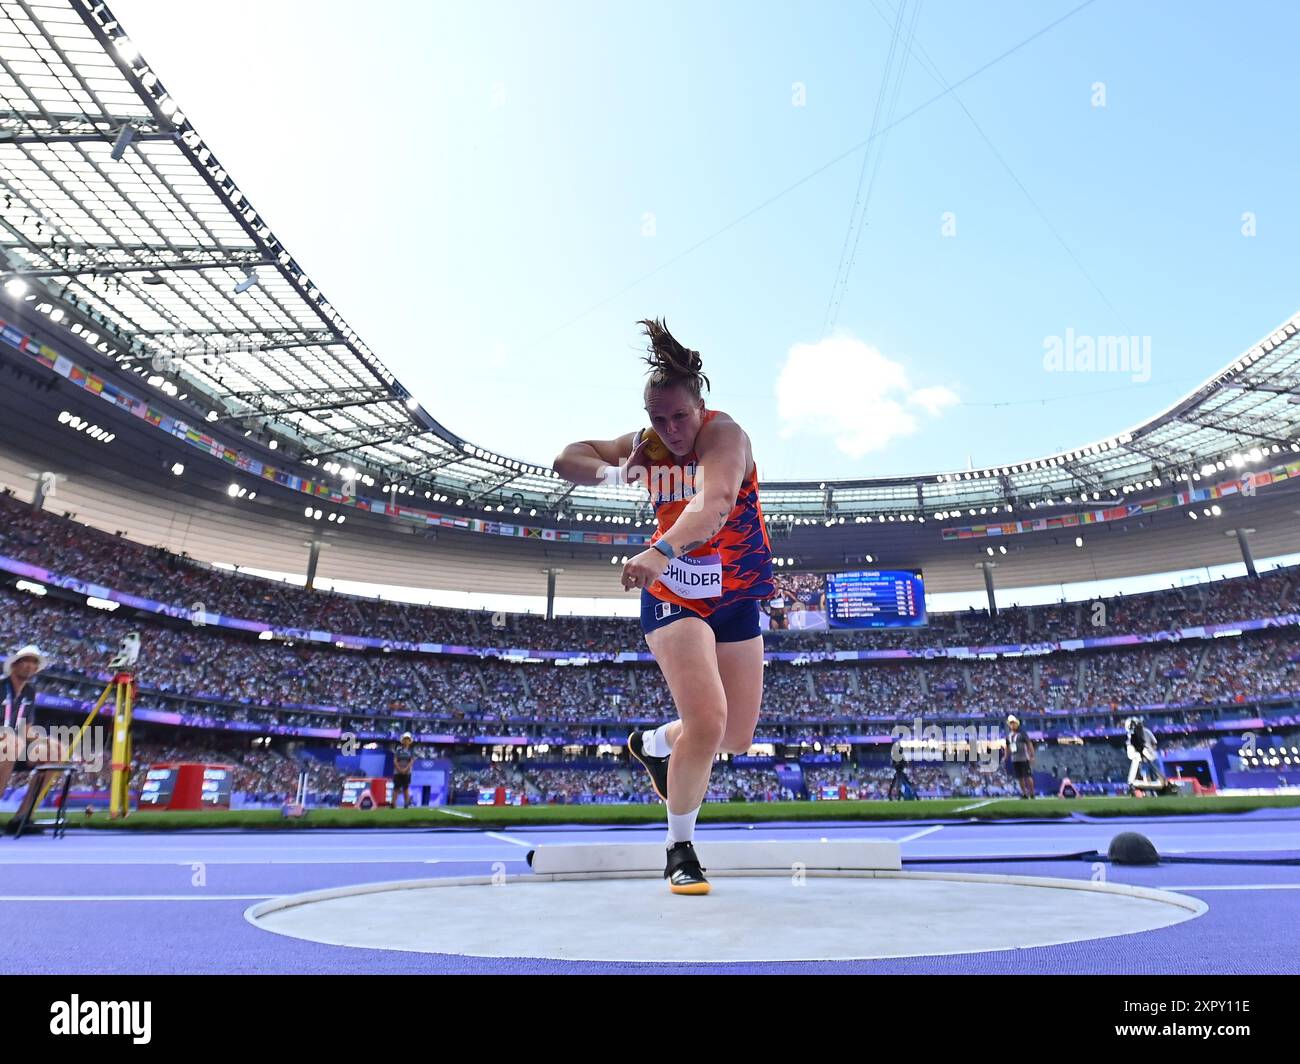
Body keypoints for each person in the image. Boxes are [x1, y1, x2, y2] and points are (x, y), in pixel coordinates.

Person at [553, 318, 774, 895]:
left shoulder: (726, 437)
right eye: (658, 420)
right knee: (708, 720)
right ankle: (680, 848)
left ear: (701, 408)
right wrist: (612, 468)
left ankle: (655, 743)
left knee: (737, 737)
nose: (670, 430)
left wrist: (660, 546)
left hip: (734, 592)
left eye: (679, 417)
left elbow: (717, 503)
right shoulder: (649, 443)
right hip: (673, 594)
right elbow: (566, 458)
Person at [1, 645, 60, 835]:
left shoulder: (29, 693)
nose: (30, 665)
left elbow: (26, 728)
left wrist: (46, 740)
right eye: (26, 661)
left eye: (34, 662)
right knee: (11, 744)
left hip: (14, 745)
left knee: (55, 752)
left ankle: (22, 817)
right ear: (15, 665)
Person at [1004, 714, 1035, 799]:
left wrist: (1032, 755)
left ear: (1016, 724)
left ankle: (1032, 793)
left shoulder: (1022, 734)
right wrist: (1006, 756)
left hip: (1024, 758)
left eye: (1013, 723)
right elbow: (1007, 747)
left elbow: (1029, 744)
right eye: (1011, 723)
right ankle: (1024, 793)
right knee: (1020, 777)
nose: (1012, 725)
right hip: (1015, 759)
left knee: (1027, 776)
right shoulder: (1009, 736)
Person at [392, 732, 415, 808]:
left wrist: (405, 769)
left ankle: (406, 804)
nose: (406, 741)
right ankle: (393, 804)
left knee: (406, 788)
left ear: (409, 741)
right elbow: (395, 760)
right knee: (396, 788)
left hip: (407, 773)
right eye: (405, 739)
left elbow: (411, 761)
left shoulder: (411, 751)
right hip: (397, 772)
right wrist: (399, 769)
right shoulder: (398, 751)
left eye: (407, 739)